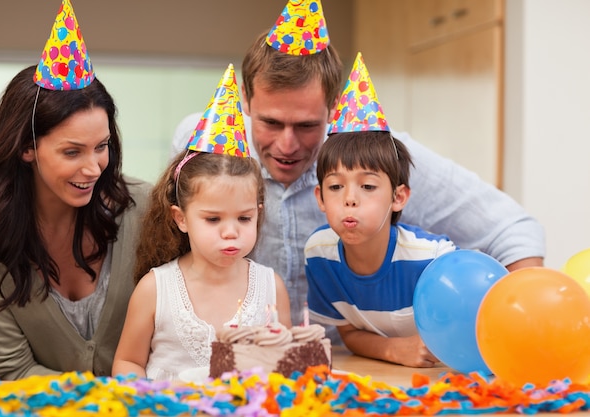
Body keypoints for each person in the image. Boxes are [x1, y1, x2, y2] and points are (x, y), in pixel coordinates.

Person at [171, 0, 545, 328]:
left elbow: (511, 230)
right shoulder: (204, 145)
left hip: (351, 366)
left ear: (333, 109)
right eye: (270, 123)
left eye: (306, 126)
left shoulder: (381, 157)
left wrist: (521, 327)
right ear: (246, 104)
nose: (287, 144)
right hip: (238, 361)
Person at [0, 0, 151, 381]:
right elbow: (11, 371)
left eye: (101, 147)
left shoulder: (146, 208)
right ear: (26, 148)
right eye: (72, 151)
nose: (93, 167)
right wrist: (107, 401)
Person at [112, 65, 291, 381]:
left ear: (259, 213)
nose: (230, 231)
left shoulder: (271, 289)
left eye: (244, 218)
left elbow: (286, 370)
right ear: (180, 218)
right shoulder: (155, 289)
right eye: (212, 219)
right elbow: (128, 363)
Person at [305, 53, 457, 368]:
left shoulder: (433, 259)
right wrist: (394, 350)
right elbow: (347, 331)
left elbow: (464, 332)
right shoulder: (319, 254)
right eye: (336, 187)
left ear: (398, 197)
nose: (350, 199)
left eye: (368, 187)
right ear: (320, 198)